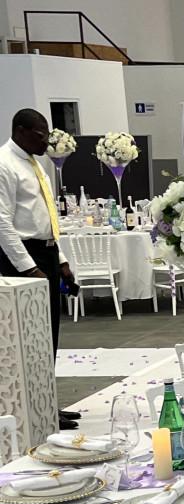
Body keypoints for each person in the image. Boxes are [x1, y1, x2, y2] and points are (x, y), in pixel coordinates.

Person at [0, 109, 79, 429]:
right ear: (20, 130)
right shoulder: (5, 163)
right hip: (22, 258)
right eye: (40, 134)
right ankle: (30, 408)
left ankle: (47, 404)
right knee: (28, 338)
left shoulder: (36, 164)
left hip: (45, 253)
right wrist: (28, 268)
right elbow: (2, 222)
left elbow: (46, 216)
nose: (46, 141)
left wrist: (60, 260)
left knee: (48, 335)